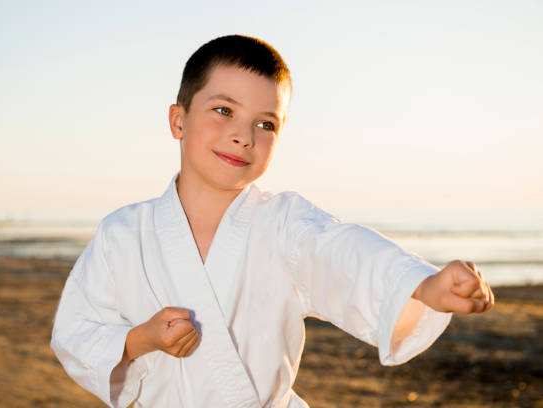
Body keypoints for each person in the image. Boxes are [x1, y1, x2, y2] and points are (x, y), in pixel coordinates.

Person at [50, 34, 494, 408]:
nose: (244, 135)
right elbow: (75, 331)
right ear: (178, 120)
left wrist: (421, 285)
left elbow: (342, 251)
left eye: (266, 123)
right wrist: (140, 339)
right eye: (224, 111)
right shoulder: (123, 234)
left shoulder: (283, 222)